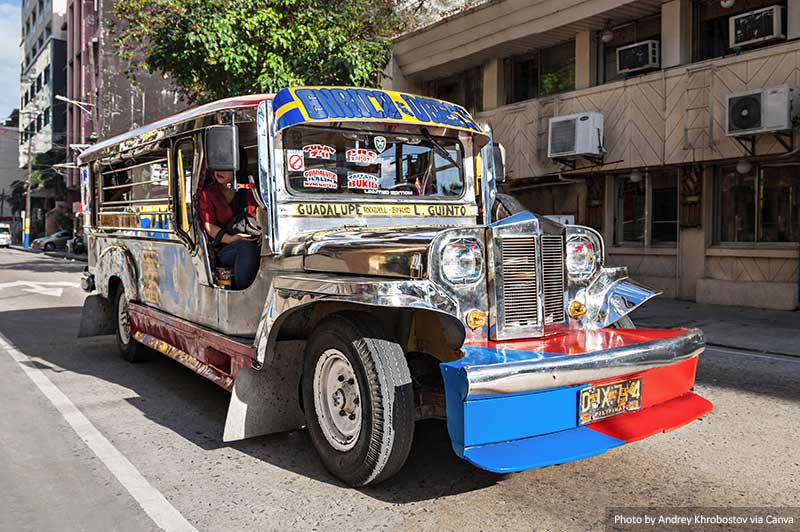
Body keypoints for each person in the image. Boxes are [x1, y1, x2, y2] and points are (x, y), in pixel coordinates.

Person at [197, 170, 259, 290]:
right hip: (223, 247)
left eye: (225, 166)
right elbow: (209, 226)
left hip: (252, 238)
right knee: (246, 248)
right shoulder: (208, 194)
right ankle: (243, 297)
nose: (218, 171)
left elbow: (258, 214)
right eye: (216, 166)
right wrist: (230, 239)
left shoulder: (249, 189)